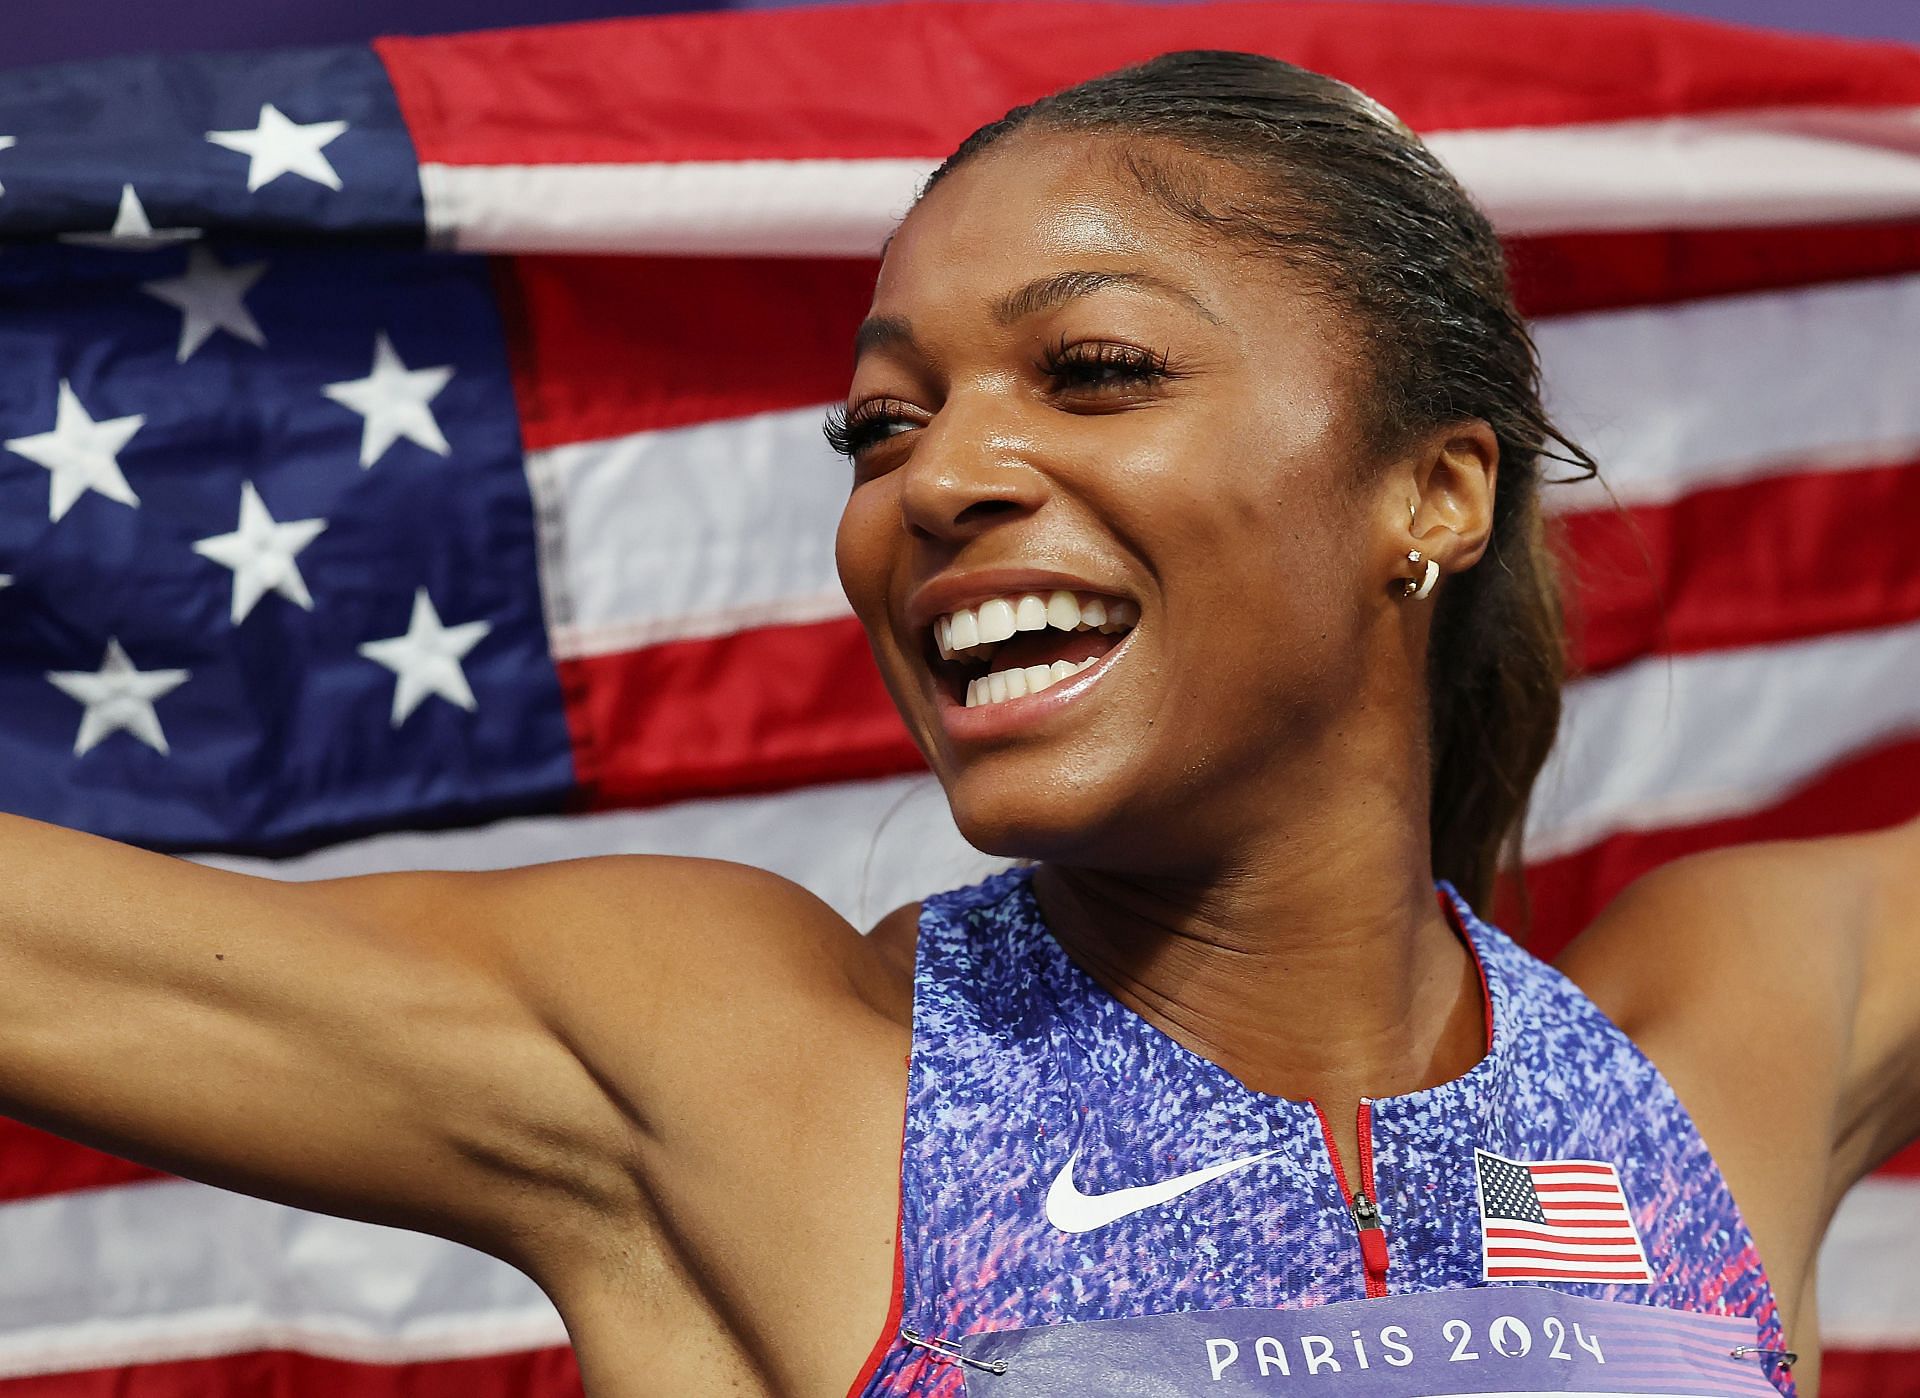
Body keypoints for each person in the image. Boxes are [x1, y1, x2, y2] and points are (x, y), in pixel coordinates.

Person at [1, 48, 1914, 1398]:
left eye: (1093, 370)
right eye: (880, 426)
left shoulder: (1729, 1040)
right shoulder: (733, 1059)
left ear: (1435, 492)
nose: (934, 480)